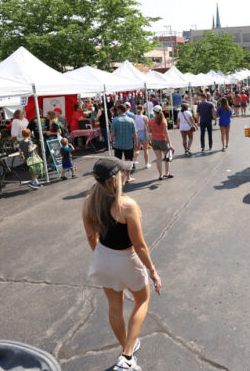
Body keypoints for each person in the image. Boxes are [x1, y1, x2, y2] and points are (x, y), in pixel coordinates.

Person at [83, 158, 162, 371]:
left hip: (102, 258)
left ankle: (129, 348)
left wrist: (103, 256)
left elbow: (91, 237)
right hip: (126, 260)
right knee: (142, 299)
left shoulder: (89, 200)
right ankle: (127, 356)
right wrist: (153, 270)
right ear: (116, 178)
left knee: (114, 306)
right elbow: (139, 245)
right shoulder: (127, 205)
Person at [110, 104, 138, 183]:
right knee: (128, 161)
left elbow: (112, 133)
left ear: (119, 110)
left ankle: (120, 177)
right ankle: (128, 177)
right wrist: (136, 142)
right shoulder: (131, 120)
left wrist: (111, 141)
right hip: (128, 144)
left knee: (118, 161)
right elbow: (135, 133)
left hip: (118, 144)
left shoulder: (115, 120)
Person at [148, 106, 173, 180]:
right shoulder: (163, 120)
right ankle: (167, 173)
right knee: (167, 157)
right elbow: (166, 133)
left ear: (154, 111)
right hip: (162, 140)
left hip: (154, 140)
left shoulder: (151, 120)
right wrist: (170, 143)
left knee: (158, 159)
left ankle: (160, 175)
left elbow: (149, 131)